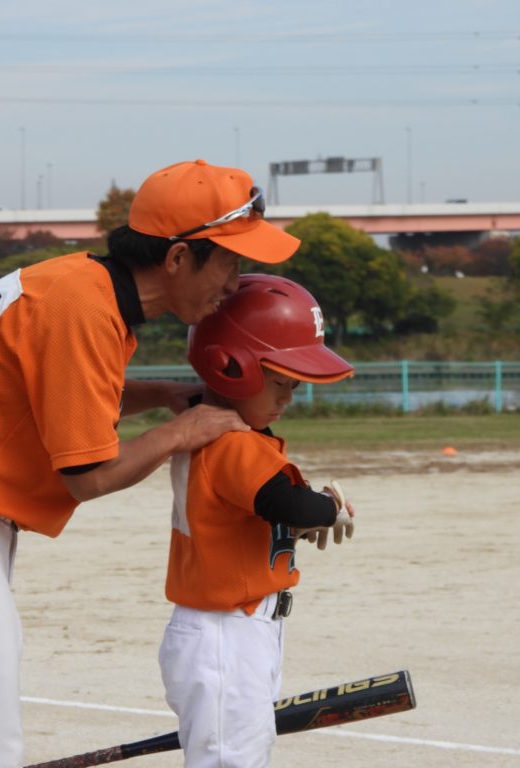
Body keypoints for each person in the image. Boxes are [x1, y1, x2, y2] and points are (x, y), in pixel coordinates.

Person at [0, 159, 300, 768]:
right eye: (230, 261)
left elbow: (62, 396)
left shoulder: (79, 285)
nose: (236, 281)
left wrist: (159, 395)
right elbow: (89, 476)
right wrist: (180, 432)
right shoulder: (84, 310)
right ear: (178, 257)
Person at [159, 273, 356, 768]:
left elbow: (259, 513)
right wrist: (328, 508)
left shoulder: (226, 437)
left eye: (294, 385)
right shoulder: (232, 442)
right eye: (280, 382)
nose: (289, 397)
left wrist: (302, 519)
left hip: (240, 629)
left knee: (242, 754)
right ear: (231, 368)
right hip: (227, 633)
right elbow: (290, 505)